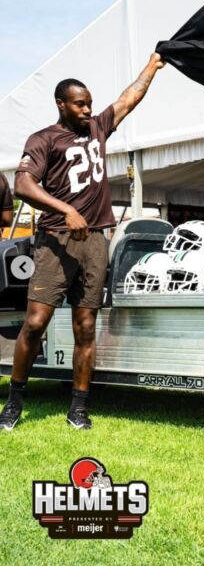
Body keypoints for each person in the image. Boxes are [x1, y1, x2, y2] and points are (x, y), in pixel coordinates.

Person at [0, 52, 164, 431]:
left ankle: (78, 407)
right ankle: (14, 401)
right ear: (61, 104)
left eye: (90, 102)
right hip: (55, 240)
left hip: (95, 241)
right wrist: (66, 210)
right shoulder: (43, 140)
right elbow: (22, 184)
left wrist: (153, 65)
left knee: (85, 325)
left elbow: (128, 98)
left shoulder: (98, 128)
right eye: (80, 103)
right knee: (36, 322)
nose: (88, 109)